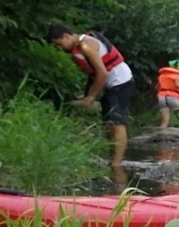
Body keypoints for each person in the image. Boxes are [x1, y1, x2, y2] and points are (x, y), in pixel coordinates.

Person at [48, 24, 136, 169]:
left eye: (59, 44)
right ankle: (112, 159)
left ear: (66, 36)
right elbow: (93, 74)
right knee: (109, 123)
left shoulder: (86, 46)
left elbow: (102, 73)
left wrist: (92, 97)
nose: (60, 48)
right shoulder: (81, 47)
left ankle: (117, 163)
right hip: (112, 85)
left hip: (122, 82)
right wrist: (87, 93)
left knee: (117, 123)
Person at [156, 58, 179, 129]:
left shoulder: (162, 76)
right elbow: (177, 85)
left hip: (161, 98)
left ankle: (160, 133)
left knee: (164, 122)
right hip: (172, 98)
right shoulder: (177, 75)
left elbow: (157, 87)